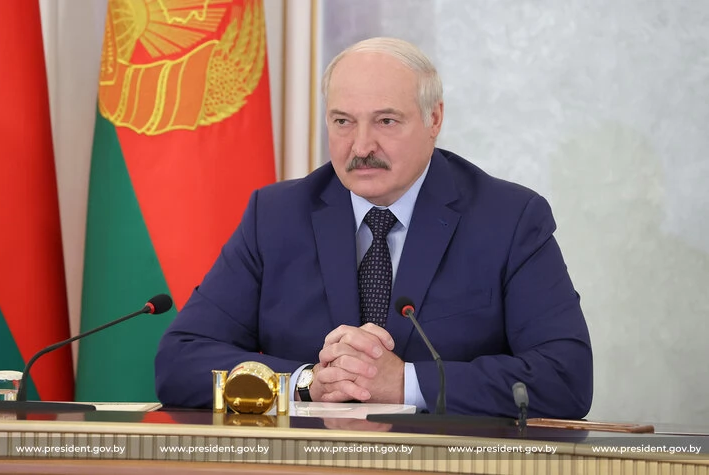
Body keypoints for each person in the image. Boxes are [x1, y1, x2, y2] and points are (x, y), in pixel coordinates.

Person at [155, 37, 593, 418]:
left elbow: (565, 377)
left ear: (434, 120)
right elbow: (179, 362)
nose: (361, 146)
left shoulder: (509, 219)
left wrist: (405, 383)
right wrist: (306, 383)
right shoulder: (274, 216)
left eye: (386, 121)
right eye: (343, 121)